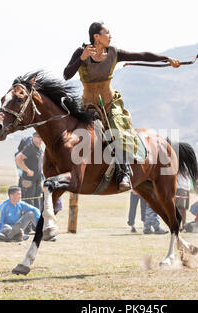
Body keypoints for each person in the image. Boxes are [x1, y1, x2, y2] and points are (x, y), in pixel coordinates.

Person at [63, 21, 181, 192]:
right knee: (75, 133)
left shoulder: (113, 52)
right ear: (97, 36)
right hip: (88, 106)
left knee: (117, 130)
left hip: (110, 104)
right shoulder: (81, 52)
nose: (111, 36)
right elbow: (67, 75)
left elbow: (141, 55)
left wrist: (166, 59)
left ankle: (124, 172)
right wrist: (81, 59)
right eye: (107, 33)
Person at [15, 132, 44, 209]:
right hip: (29, 181)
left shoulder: (40, 149)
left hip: (37, 181)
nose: (41, 139)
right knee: (28, 202)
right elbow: (18, 158)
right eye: (38, 137)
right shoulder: (30, 147)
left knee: (36, 201)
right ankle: (28, 219)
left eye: (41, 137)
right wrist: (27, 170)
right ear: (34, 138)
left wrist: (41, 179)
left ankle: (36, 219)